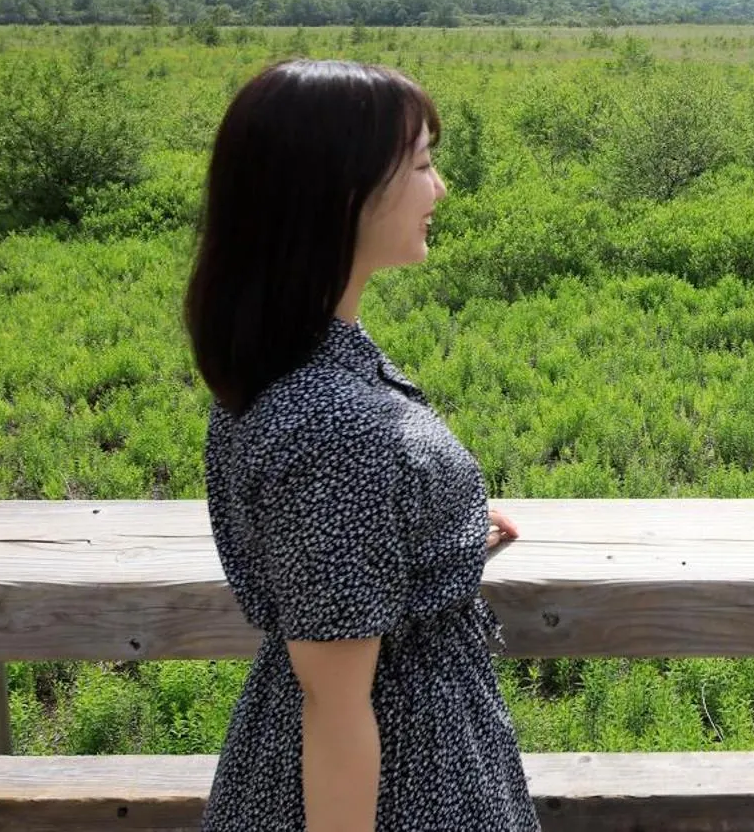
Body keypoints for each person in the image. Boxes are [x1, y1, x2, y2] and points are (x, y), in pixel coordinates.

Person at [185, 59, 540, 831]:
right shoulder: (334, 428)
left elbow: (338, 550)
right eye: (419, 164)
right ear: (339, 194)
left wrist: (444, 530)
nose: (438, 187)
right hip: (404, 784)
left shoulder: (301, 354)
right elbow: (335, 702)